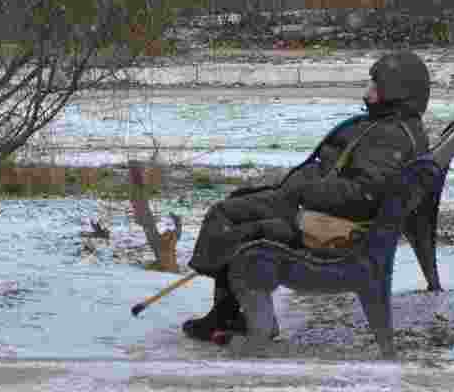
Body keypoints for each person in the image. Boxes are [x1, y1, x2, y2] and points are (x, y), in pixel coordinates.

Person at [183, 51, 431, 342]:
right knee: (238, 203)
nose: (368, 93)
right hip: (319, 213)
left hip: (321, 226)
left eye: (375, 87)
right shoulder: (394, 127)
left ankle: (231, 317)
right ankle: (225, 313)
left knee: (226, 218)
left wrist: (303, 191)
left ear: (396, 93)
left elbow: (362, 194)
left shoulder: (390, 137)